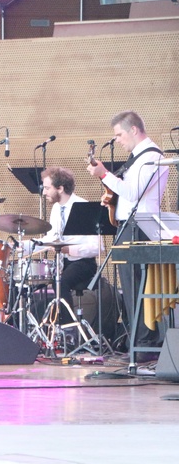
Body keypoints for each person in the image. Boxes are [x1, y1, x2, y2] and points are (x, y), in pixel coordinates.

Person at [86, 110, 169, 348]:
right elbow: (130, 194)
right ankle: (138, 341)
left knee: (137, 288)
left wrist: (104, 174)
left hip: (140, 227)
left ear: (134, 130)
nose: (118, 140)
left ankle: (146, 342)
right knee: (130, 289)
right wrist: (114, 200)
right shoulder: (137, 157)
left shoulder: (151, 157)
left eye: (120, 135)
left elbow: (134, 193)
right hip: (129, 225)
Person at [21, 167, 100, 322]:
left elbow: (97, 248)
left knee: (61, 282)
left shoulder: (83, 207)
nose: (44, 193)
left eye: (47, 188)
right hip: (63, 263)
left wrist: (68, 249)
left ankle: (68, 328)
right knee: (32, 281)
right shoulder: (57, 208)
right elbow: (52, 237)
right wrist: (25, 246)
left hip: (83, 263)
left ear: (60, 188)